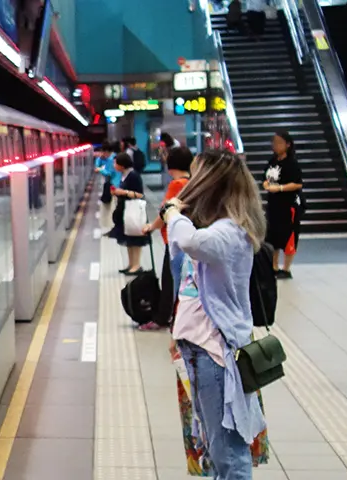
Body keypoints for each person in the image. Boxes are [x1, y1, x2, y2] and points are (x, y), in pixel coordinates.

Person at [165, 149, 267, 479]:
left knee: (228, 452)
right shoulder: (218, 228)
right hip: (198, 347)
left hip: (216, 354)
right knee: (213, 444)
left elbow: (189, 243)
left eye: (197, 178)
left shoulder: (230, 232)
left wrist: (173, 214)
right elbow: (185, 277)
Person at [140, 147, 195, 331]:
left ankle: (164, 318)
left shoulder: (176, 184)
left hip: (175, 241)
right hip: (188, 238)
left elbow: (166, 212)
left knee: (170, 281)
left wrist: (150, 227)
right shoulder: (192, 181)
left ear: (170, 166)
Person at [262, 131, 303, 279]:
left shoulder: (292, 163)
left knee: (288, 234)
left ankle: (286, 268)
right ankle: (273, 266)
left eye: (279, 142)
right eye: (274, 142)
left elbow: (297, 183)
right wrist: (266, 184)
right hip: (273, 204)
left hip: (288, 205)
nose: (276, 145)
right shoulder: (272, 161)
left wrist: (279, 188)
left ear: (288, 144)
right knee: (272, 235)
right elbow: (265, 177)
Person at [108, 150, 151, 275]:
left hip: (133, 212)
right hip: (125, 211)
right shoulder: (124, 174)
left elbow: (140, 194)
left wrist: (124, 193)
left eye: (115, 163)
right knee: (129, 239)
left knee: (135, 239)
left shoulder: (134, 175)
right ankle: (131, 264)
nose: (114, 166)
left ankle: (136, 266)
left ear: (122, 165)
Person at [94, 142, 118, 226]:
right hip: (111, 184)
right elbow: (98, 164)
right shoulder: (108, 158)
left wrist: (100, 170)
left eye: (103, 152)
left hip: (115, 184)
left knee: (113, 206)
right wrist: (100, 159)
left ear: (107, 151)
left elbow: (110, 173)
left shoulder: (112, 159)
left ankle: (113, 225)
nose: (102, 154)